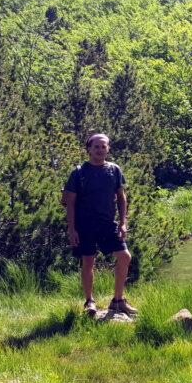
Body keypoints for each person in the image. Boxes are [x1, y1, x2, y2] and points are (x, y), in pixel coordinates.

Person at [63, 133, 137, 316]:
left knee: (124, 256)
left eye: (104, 146)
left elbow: (121, 197)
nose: (100, 150)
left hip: (107, 224)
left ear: (108, 149)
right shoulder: (79, 173)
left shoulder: (114, 170)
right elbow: (69, 203)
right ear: (89, 149)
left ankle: (118, 301)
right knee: (88, 261)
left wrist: (122, 222)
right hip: (84, 224)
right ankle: (89, 302)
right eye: (96, 146)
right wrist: (71, 229)